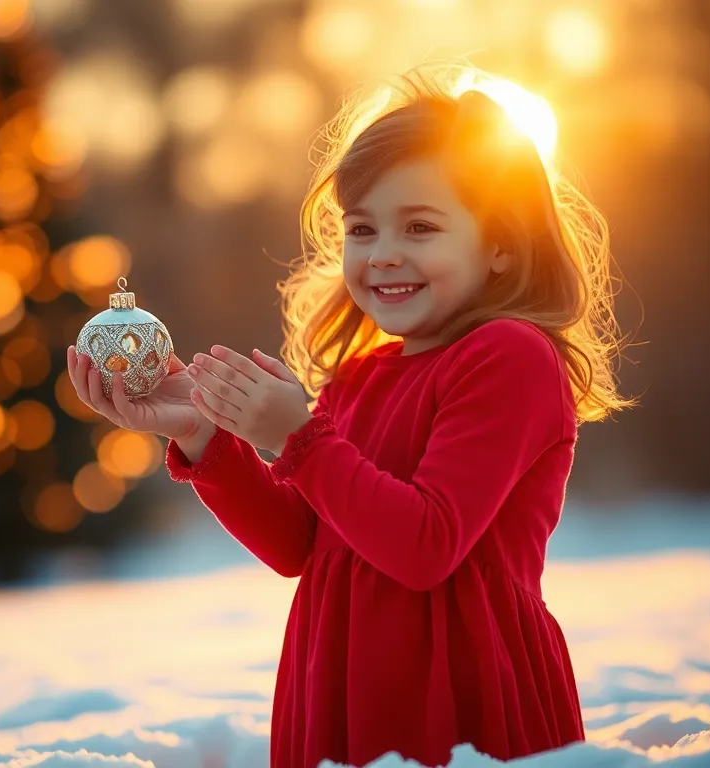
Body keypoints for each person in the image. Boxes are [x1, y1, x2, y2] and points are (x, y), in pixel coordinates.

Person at [66, 61, 633, 768]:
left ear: (500, 244)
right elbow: (300, 546)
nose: (384, 254)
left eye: (420, 227)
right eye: (362, 229)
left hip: (461, 706)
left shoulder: (510, 357)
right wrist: (205, 434)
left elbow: (426, 545)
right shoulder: (359, 378)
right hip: (340, 691)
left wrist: (297, 438)